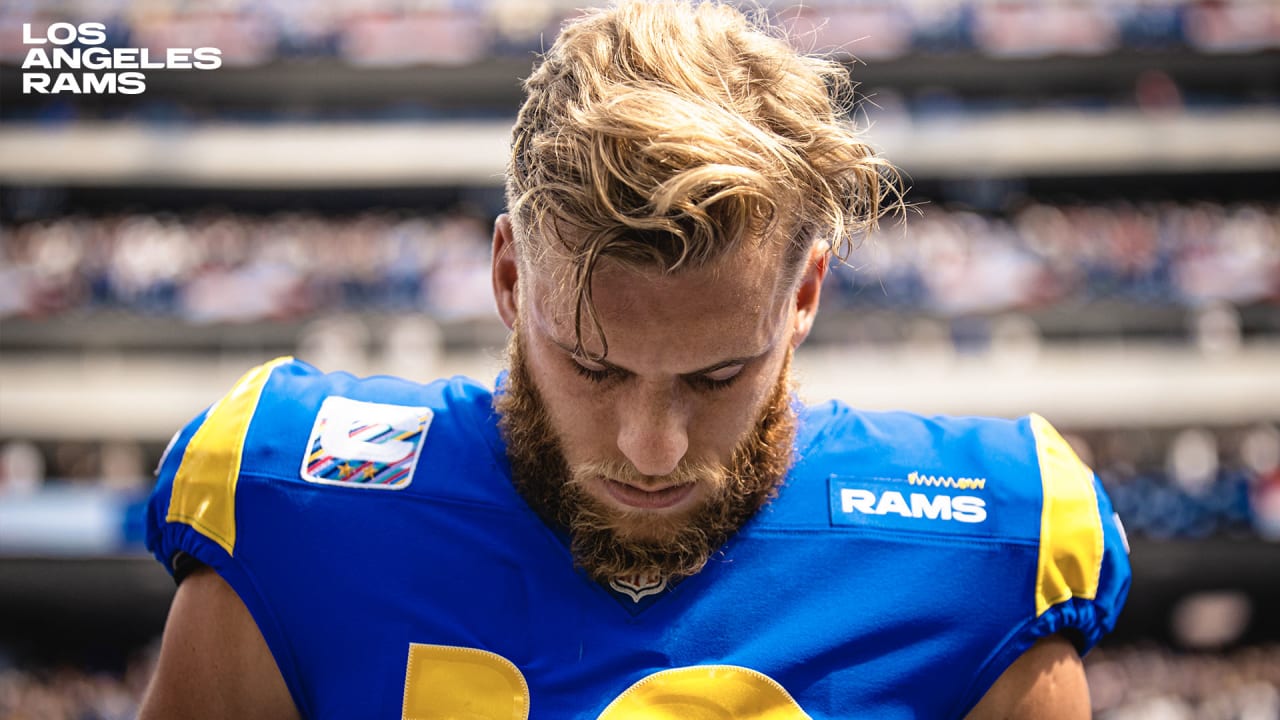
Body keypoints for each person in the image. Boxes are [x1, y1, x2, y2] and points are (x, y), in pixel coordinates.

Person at [138, 1, 1130, 717]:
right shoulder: (292, 508)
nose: (650, 449)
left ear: (803, 296)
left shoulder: (980, 557)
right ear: (509, 279)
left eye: (714, 377)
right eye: (593, 368)